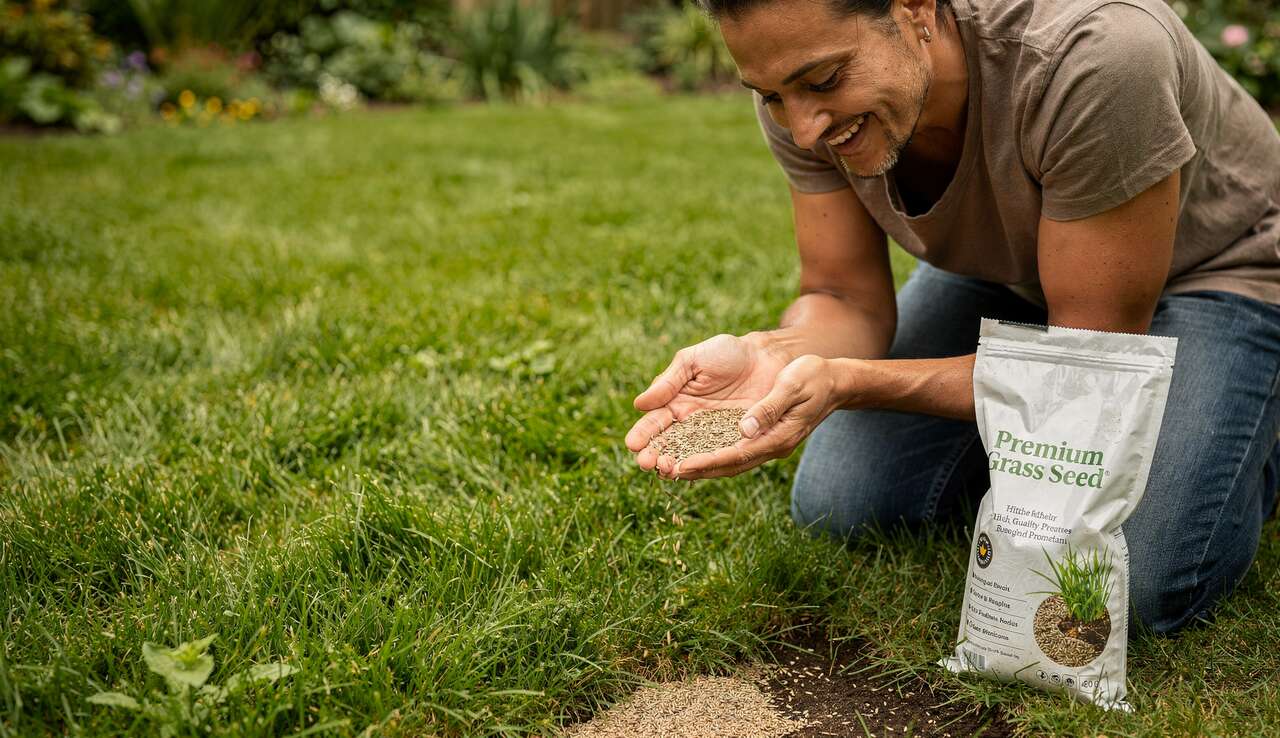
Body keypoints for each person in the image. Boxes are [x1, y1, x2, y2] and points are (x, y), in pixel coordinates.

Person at [623, 0, 1280, 635]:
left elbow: (1084, 369)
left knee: (1135, 580)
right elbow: (845, 297)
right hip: (1016, 273)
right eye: (770, 97)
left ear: (915, 9)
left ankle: (1249, 425)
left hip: (1223, 267)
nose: (803, 128)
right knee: (845, 504)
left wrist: (851, 383)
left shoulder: (1097, 54)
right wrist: (776, 352)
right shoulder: (799, 87)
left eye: (823, 81)